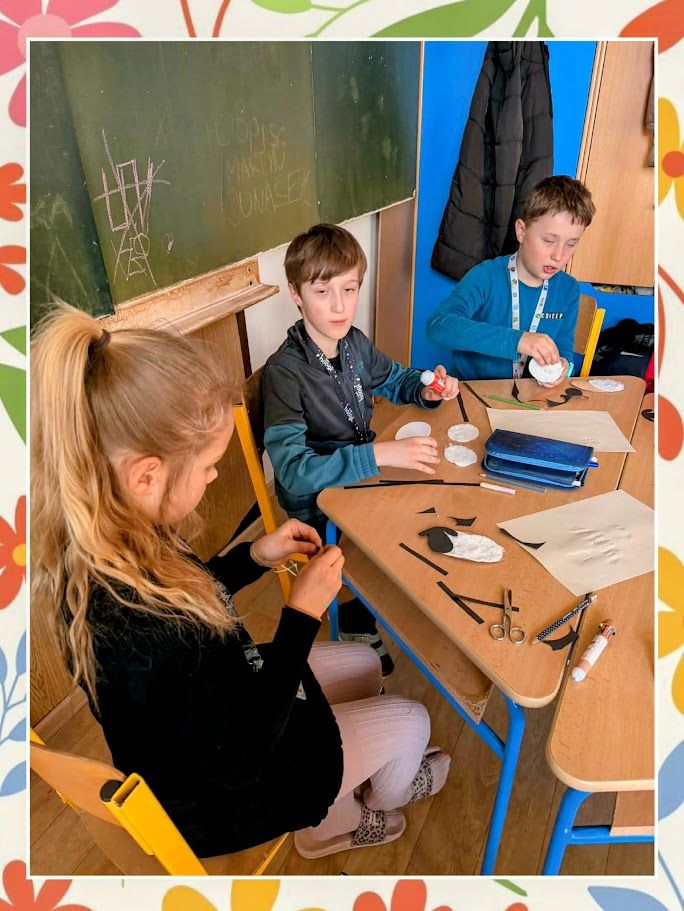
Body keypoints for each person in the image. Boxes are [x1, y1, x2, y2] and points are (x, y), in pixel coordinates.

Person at [30, 303, 450, 861]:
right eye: (209, 466)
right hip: (226, 793)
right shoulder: (133, 628)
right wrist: (300, 616)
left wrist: (254, 556)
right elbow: (241, 758)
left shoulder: (116, 538)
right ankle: (352, 812)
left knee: (365, 665)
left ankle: (354, 788)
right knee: (411, 722)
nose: (213, 477)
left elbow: (194, 592)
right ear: (146, 475)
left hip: (225, 706)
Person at [262, 223, 459, 675]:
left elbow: (395, 378)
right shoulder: (284, 373)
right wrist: (380, 456)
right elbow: (293, 473)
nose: (339, 305)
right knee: (404, 521)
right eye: (322, 292)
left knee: (433, 494)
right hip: (317, 504)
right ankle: (355, 615)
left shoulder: (353, 343)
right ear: (295, 294)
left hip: (358, 476)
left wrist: (426, 389)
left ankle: (378, 600)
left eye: (349, 289)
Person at [426, 175, 596, 386]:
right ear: (521, 231)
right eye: (549, 240)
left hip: (530, 394)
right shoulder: (486, 276)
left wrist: (563, 366)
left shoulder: (568, 289)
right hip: (473, 389)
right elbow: (438, 326)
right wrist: (518, 340)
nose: (559, 256)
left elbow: (564, 345)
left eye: (571, 244)